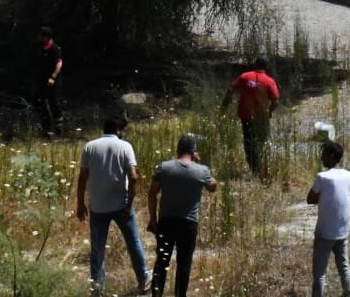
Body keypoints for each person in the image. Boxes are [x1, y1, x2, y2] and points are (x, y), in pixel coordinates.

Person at [76, 116, 150, 295]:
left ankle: (97, 288)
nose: (123, 133)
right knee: (133, 242)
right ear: (118, 130)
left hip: (97, 206)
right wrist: (129, 203)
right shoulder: (125, 147)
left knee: (97, 248)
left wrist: (80, 203)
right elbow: (133, 177)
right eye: (122, 130)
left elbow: (82, 177)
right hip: (120, 205)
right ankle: (143, 280)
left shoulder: (90, 147)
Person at [146, 134, 218, 297]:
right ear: (193, 152)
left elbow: (152, 194)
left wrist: (152, 218)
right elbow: (213, 186)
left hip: (166, 221)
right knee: (184, 263)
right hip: (188, 224)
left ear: (177, 150)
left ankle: (156, 295)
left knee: (162, 261)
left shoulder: (164, 167)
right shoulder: (201, 170)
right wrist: (198, 164)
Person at [307, 140, 350, 297]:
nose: (322, 158)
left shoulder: (322, 177)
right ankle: (348, 293)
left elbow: (310, 199)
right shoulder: (349, 176)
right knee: (344, 267)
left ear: (332, 156)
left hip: (325, 232)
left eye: (324, 155)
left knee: (320, 274)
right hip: (342, 230)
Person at [220, 56, 280, 177]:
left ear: (254, 64)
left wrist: (224, 106)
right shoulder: (269, 81)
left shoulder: (245, 76)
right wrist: (269, 113)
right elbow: (276, 100)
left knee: (248, 142)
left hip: (246, 116)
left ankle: (254, 169)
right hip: (261, 117)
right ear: (267, 67)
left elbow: (231, 90)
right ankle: (261, 169)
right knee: (262, 142)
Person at [34, 25, 64, 133]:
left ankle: (58, 128)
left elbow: (59, 63)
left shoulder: (55, 48)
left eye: (40, 35)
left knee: (53, 101)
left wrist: (53, 77)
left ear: (46, 37)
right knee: (38, 100)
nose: (38, 37)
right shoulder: (39, 48)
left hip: (54, 80)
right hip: (42, 79)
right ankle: (46, 125)